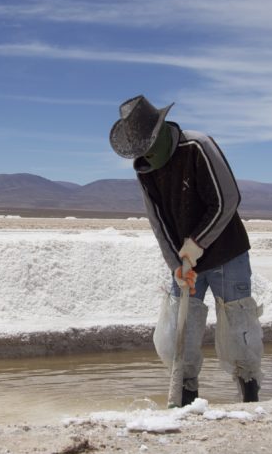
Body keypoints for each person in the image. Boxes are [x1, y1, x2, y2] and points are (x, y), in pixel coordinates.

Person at [109, 94, 263, 405]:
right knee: (179, 334)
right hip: (186, 262)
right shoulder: (144, 167)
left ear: (161, 131)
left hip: (226, 253)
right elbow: (159, 222)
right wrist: (176, 265)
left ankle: (249, 396)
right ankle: (186, 397)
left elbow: (226, 200)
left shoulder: (198, 146)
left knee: (239, 326)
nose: (147, 155)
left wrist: (196, 244)